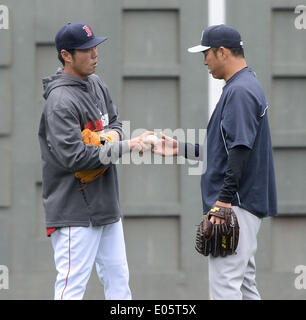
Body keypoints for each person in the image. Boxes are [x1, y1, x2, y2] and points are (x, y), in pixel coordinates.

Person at [153, 24, 277, 300]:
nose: (204, 61)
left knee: (225, 290)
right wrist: (181, 148)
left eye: (206, 53)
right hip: (242, 204)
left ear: (222, 52)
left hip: (236, 205)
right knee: (244, 289)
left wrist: (223, 201)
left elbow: (241, 149)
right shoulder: (243, 84)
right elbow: (226, 148)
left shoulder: (240, 91)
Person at [38, 21, 153, 300]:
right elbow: (76, 156)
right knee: (71, 289)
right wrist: (124, 144)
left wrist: (107, 139)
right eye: (87, 49)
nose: (94, 54)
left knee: (119, 284)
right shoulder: (60, 101)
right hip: (73, 210)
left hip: (105, 206)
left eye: (95, 47)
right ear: (66, 55)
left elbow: (115, 124)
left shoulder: (97, 84)